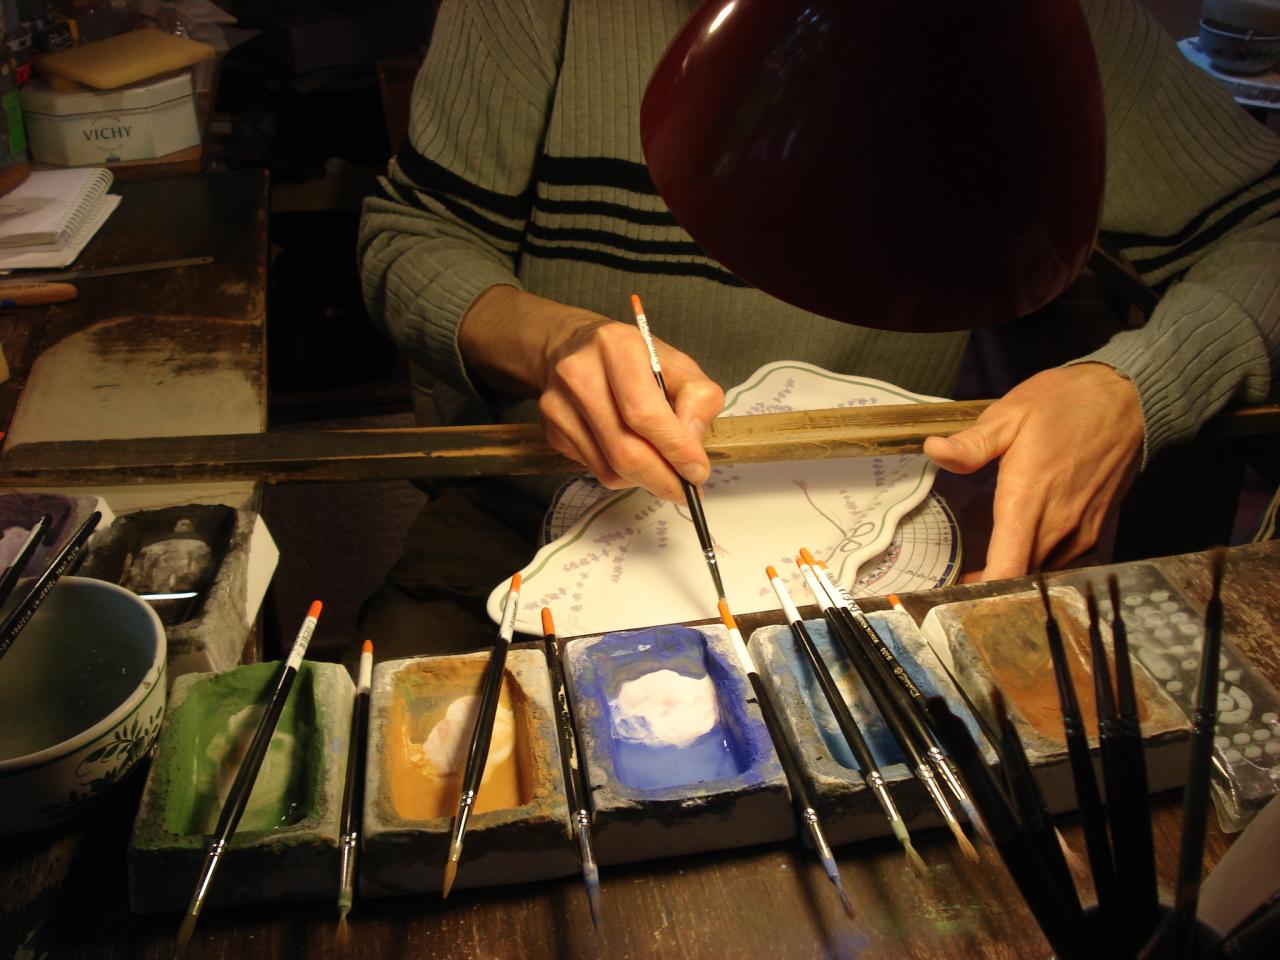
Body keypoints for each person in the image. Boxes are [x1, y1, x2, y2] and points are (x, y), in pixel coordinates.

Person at [357, 0, 1280, 659]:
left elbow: (1266, 225)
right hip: (538, 520)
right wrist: (548, 341)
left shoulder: (1032, 28)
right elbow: (411, 233)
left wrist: (1131, 391)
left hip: (877, 545)